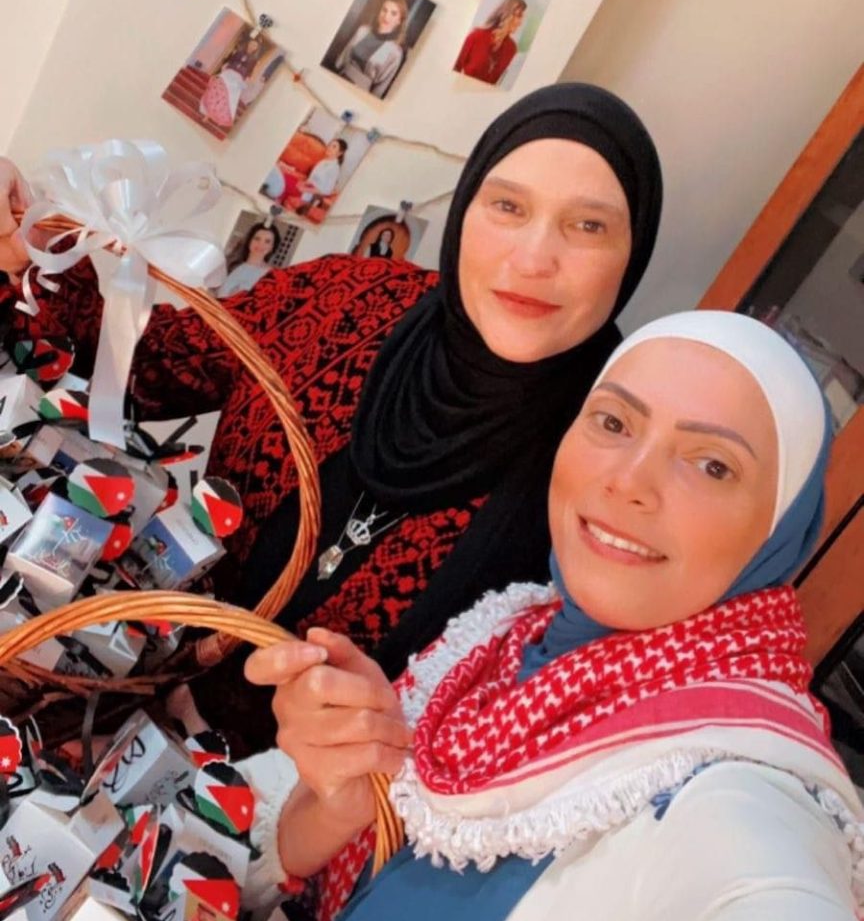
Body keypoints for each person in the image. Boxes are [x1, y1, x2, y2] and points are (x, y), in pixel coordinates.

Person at [242, 312, 864, 921]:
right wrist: (346, 783)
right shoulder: (499, 646)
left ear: (779, 530)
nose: (629, 481)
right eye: (614, 422)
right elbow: (318, 871)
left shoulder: (746, 794)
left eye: (712, 465)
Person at [0, 85, 662, 746]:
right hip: (83, 697)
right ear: (467, 209)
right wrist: (22, 252)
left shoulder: (615, 474)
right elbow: (150, 369)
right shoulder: (348, 301)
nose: (534, 258)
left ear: (633, 252)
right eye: (508, 206)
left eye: (589, 225)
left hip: (296, 799)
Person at [332, 0, 409, 97]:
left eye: (393, 13)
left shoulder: (394, 51)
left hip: (359, 93)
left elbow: (381, 86)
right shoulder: (363, 31)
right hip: (339, 78)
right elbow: (343, 57)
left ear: (399, 20)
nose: (386, 16)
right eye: (384, 10)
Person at [453, 0, 528, 86]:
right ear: (506, 14)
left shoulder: (512, 48)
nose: (520, 22)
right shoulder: (476, 36)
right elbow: (455, 68)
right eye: (518, 16)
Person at [199, 33, 266, 132]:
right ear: (249, 43)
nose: (252, 46)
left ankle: (214, 116)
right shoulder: (239, 52)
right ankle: (207, 114)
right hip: (228, 74)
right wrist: (225, 67)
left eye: (255, 45)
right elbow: (230, 62)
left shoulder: (254, 61)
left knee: (227, 99)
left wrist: (247, 80)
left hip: (237, 80)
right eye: (252, 43)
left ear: (256, 48)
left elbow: (250, 74)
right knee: (218, 94)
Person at [219, 222, 278, 298]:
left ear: (272, 247)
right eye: (257, 239)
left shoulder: (272, 275)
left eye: (267, 241)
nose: (261, 244)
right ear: (249, 240)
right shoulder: (231, 264)